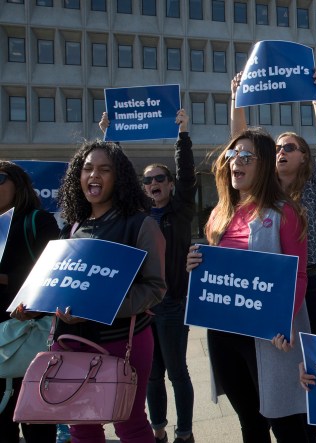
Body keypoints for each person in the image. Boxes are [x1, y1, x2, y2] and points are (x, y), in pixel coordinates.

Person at [185, 128, 312, 442]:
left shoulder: (285, 212)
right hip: (224, 334)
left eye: (246, 156)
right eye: (232, 154)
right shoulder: (220, 213)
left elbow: (298, 275)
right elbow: (216, 271)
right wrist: (195, 265)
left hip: (268, 336)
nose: (235, 161)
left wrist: (283, 322)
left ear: (265, 164)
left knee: (286, 423)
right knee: (250, 422)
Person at [55, 140, 166, 443]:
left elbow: (155, 288)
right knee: (81, 427)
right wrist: (34, 305)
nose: (94, 175)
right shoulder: (72, 228)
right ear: (78, 176)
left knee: (129, 424)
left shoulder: (141, 225)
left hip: (122, 343)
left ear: (119, 178)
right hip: (73, 343)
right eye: (87, 168)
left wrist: (101, 309)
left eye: (104, 169)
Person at [101, 109, 197, 443]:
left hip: (172, 304)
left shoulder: (180, 211)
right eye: (148, 180)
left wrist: (183, 134)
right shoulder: (137, 215)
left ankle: (184, 433)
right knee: (152, 375)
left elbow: (187, 174)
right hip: (143, 307)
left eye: (159, 178)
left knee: (177, 372)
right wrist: (111, 138)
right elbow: (119, 176)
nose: (153, 183)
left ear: (170, 184)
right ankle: (158, 431)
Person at [231, 70, 316, 335]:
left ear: (304, 156)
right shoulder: (264, 186)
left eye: (289, 148)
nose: (281, 152)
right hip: (270, 279)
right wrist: (237, 100)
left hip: (310, 280)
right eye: (278, 148)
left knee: (307, 349)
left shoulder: (315, 183)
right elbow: (240, 145)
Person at [0, 161, 59, 443]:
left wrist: (4, 279)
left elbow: (53, 277)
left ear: (18, 184)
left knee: (37, 426)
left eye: (0, 178)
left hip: (26, 333)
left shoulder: (37, 221)